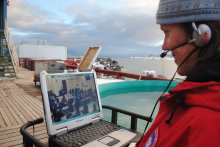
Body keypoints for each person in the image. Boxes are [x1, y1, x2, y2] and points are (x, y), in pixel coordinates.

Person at [137, 0, 220, 147]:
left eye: (167, 32)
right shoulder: (195, 99)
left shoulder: (208, 122)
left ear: (201, 35)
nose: (164, 45)